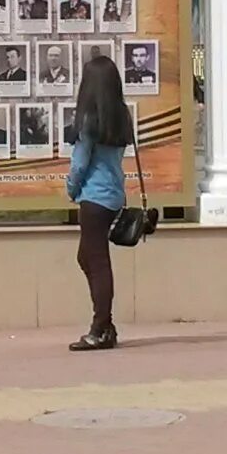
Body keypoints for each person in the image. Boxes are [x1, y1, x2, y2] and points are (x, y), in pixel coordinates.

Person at [64, 56, 133, 352]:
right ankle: (106, 325)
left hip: (93, 198)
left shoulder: (89, 120)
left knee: (97, 262)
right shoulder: (121, 115)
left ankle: (100, 328)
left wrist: (70, 189)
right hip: (114, 195)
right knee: (86, 257)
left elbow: (80, 165)